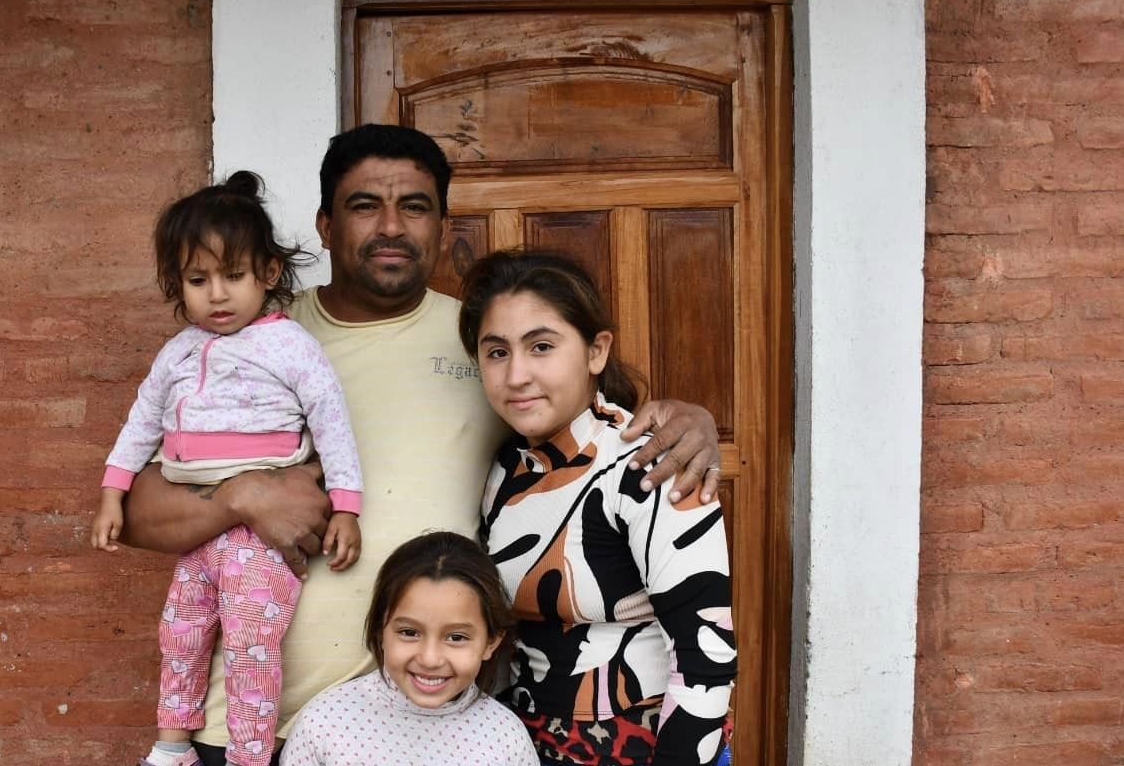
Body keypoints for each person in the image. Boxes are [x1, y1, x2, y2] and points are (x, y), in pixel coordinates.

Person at [116, 124, 723, 766]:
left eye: (413, 206)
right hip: (247, 724)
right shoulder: (247, 338)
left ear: (442, 225)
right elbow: (131, 512)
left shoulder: (484, 343)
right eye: (364, 206)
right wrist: (241, 497)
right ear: (325, 226)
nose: (390, 226)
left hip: (421, 726)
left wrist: (691, 420)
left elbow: (584, 417)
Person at [91, 172, 364, 766]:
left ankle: (248, 757)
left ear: (268, 273)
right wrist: (113, 490)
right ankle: (172, 746)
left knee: (250, 648)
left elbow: (332, 423)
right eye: (198, 280)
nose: (217, 295)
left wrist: (347, 507)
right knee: (180, 633)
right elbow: (142, 421)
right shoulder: (178, 352)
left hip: (259, 539)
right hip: (201, 529)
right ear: (178, 284)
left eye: (233, 276)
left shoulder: (290, 346)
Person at [459, 250, 736, 766]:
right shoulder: (504, 472)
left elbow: (706, 654)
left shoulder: (652, 466)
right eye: (496, 352)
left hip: (638, 742)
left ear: (596, 351)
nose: (516, 374)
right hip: (524, 740)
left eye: (541, 347)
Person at [279, 531, 538, 765]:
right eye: (409, 633)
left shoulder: (506, 739)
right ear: (380, 632)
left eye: (456, 637)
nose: (430, 659)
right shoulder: (326, 722)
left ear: (491, 642)